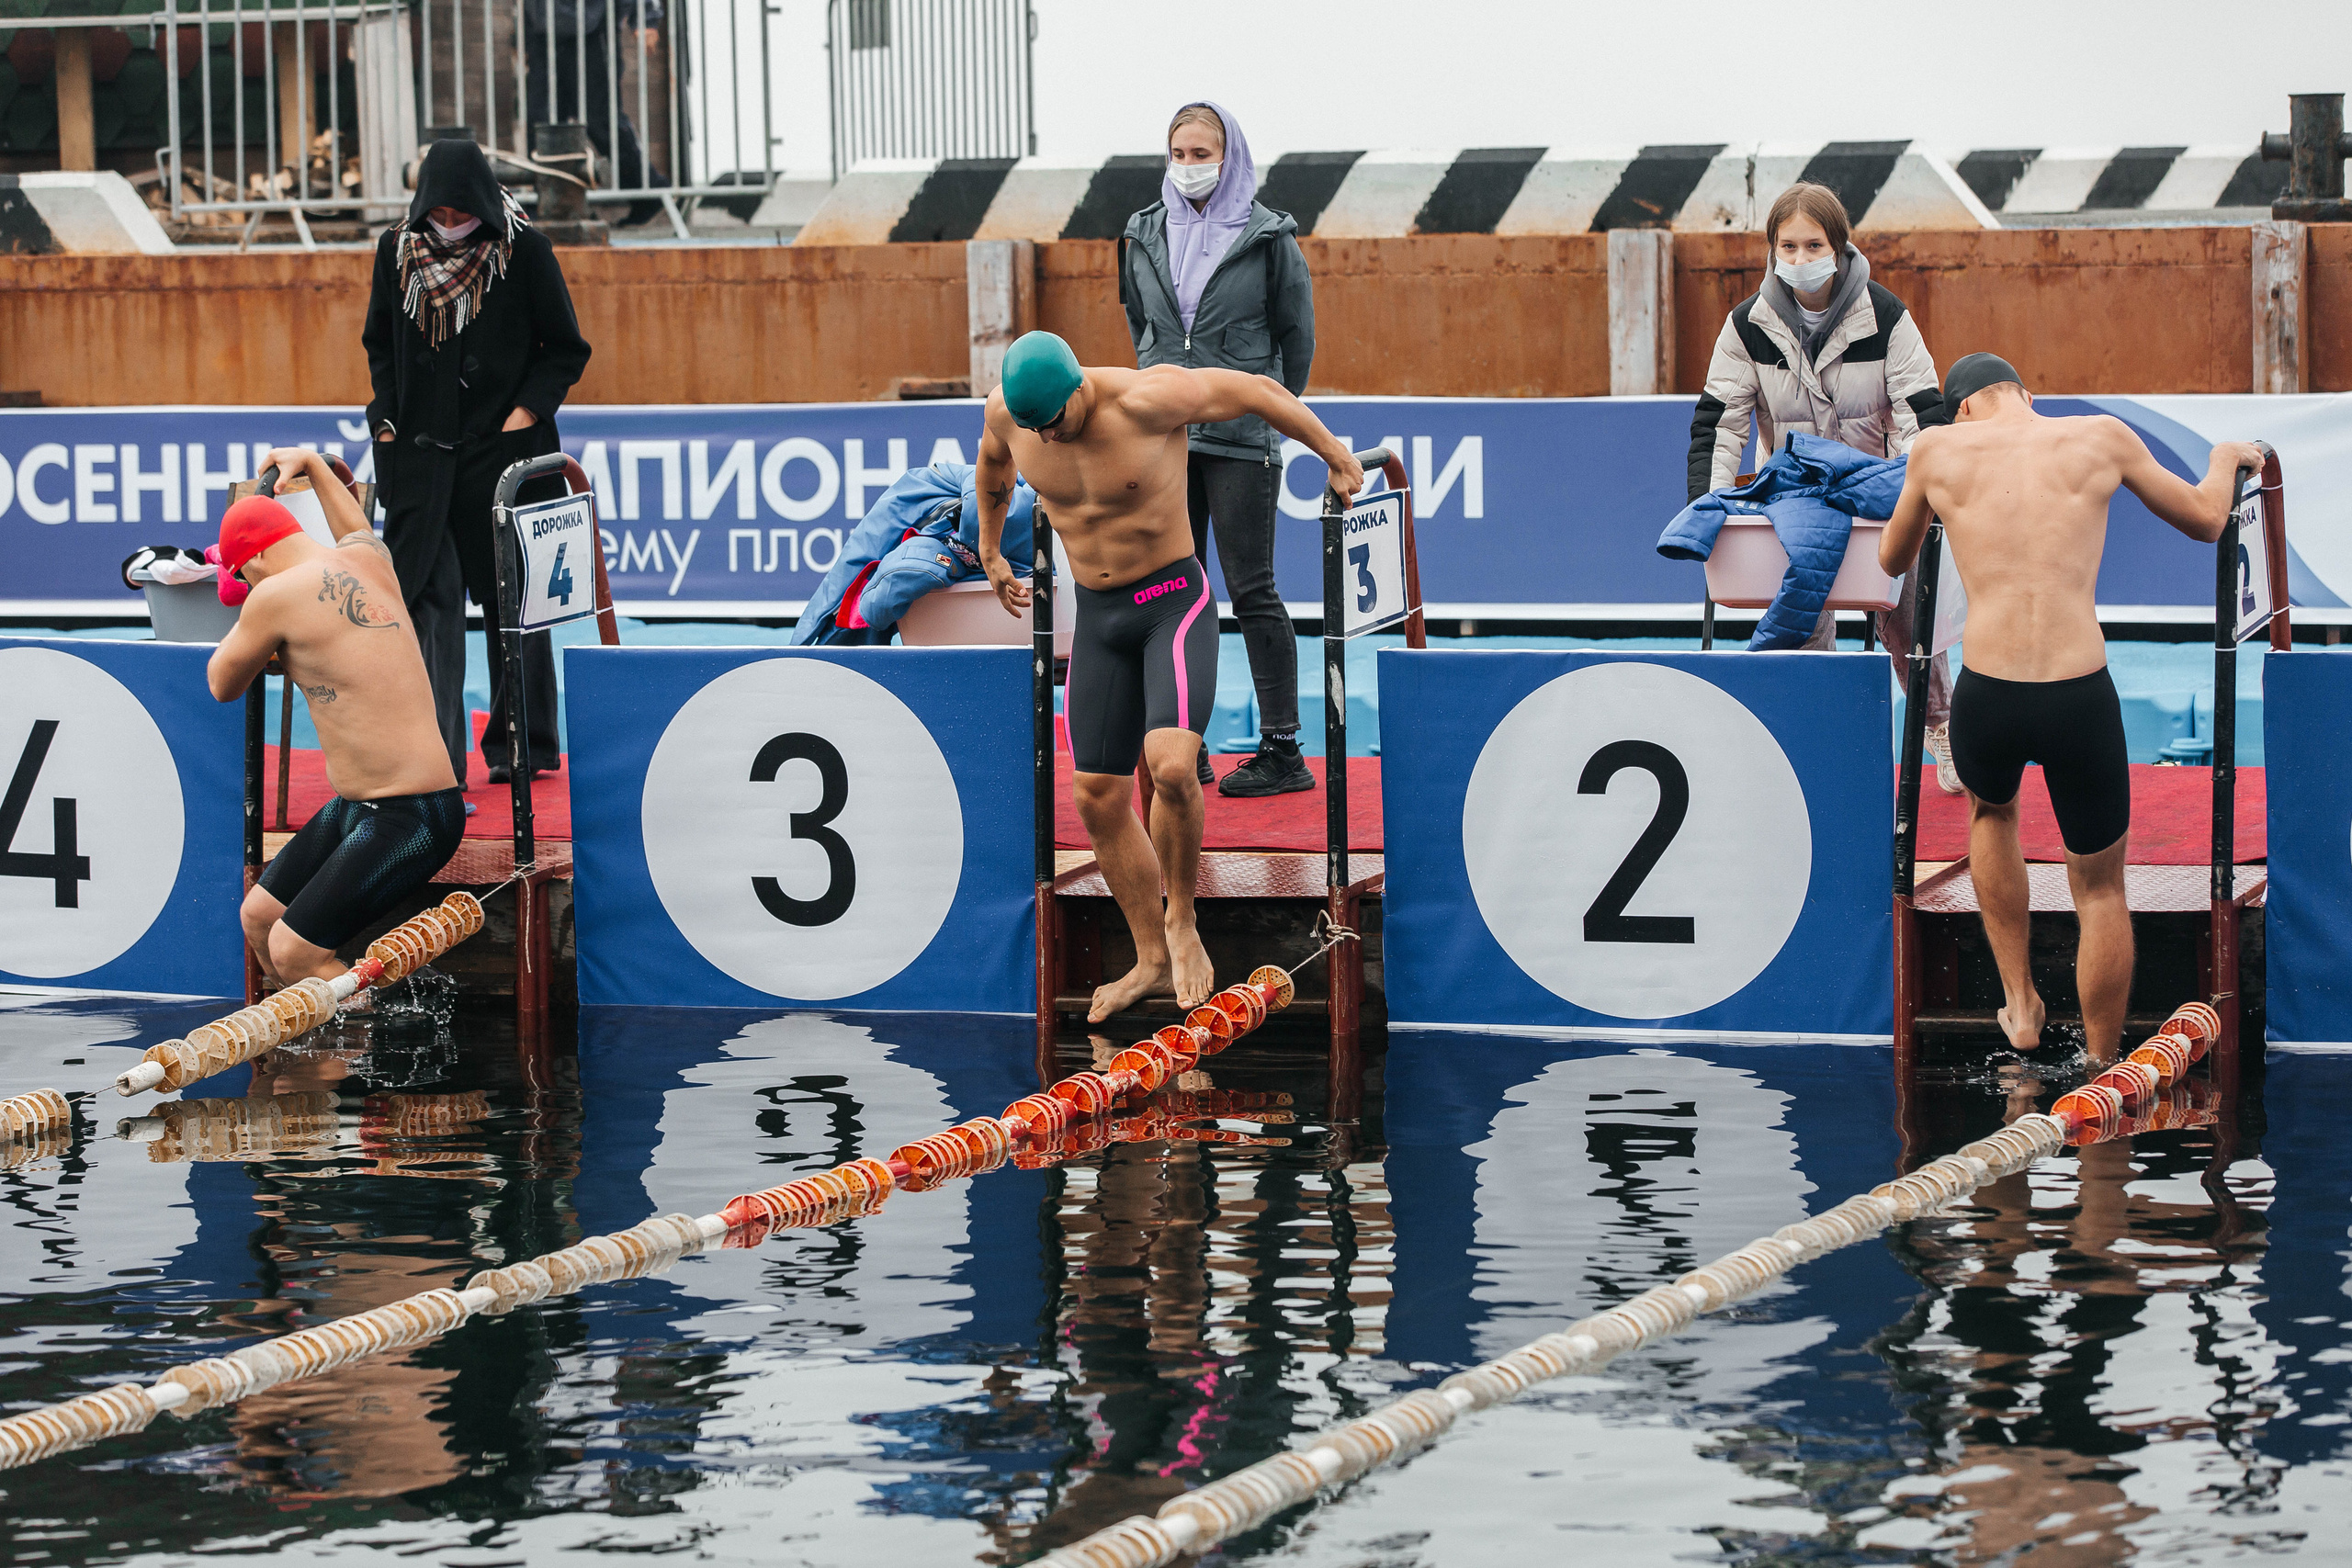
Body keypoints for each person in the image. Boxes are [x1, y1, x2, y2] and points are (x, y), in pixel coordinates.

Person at [1878, 352, 2262, 1062]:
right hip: (2078, 691)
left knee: (1990, 813)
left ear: (1961, 408)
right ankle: (2102, 1057)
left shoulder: (1936, 451)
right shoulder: (2100, 437)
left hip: (1989, 693)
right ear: (2028, 395)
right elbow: (2209, 519)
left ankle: (2021, 1006)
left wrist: (1929, 498)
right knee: (2099, 887)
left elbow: (1892, 560)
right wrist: (2222, 457)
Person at [975, 332, 1363, 1021]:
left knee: (1173, 765)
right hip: (1100, 620)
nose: (1050, 439)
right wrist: (989, 543)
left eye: (1056, 422)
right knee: (1095, 792)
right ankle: (1149, 956)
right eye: (1037, 429)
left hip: (1170, 607)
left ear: (1078, 389)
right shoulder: (1010, 413)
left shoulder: (1150, 399)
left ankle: (1183, 922)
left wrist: (1334, 454)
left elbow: (1260, 392)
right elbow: (995, 464)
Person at [1689, 182, 1961, 789]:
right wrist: (1706, 508)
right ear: (1771, 249)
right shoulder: (1746, 328)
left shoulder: (1886, 316)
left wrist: (1919, 490)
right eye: (1788, 244)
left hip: (1876, 491)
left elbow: (1924, 413)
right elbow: (1721, 423)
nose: (1800, 256)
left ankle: (1941, 725)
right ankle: (1812, 747)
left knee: (1914, 621)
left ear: (1838, 248)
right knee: (1803, 616)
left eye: (1814, 243)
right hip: (1796, 497)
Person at [364, 139, 592, 789]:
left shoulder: (524, 252)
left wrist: (523, 412)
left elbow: (565, 349)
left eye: (460, 213)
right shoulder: (397, 253)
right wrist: (384, 420)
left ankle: (523, 745)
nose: (448, 223)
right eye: (435, 213)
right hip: (421, 461)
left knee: (511, 606)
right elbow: (379, 343)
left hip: (504, 459)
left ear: (483, 208)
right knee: (429, 606)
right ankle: (437, 757)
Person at [206, 449, 466, 986]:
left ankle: (352, 1059)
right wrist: (313, 465)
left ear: (250, 565)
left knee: (295, 951)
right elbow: (357, 526)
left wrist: (259, 632)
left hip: (414, 814)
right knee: (259, 917)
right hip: (358, 805)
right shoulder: (371, 559)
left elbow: (221, 684)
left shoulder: (273, 594)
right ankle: (313, 1039)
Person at [1121, 102, 1317, 797]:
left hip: (1240, 441)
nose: (1190, 164)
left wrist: (1261, 411)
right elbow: (1140, 321)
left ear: (1229, 156)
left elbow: (1298, 341)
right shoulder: (1141, 231)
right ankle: (1185, 744)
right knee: (1178, 590)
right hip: (1167, 439)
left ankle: (1283, 750)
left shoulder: (1269, 239)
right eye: (1179, 151)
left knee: (1252, 589)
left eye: (1203, 152)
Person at [522, 0, 673, 229]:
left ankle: (648, 191)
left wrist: (645, 18)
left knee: (602, 120)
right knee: (542, 122)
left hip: (592, 29)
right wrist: (526, 36)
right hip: (543, 33)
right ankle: (547, 202)